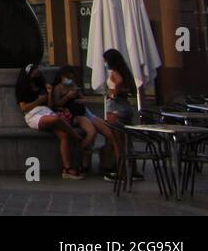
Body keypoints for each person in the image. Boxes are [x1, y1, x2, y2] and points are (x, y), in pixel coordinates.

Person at [15, 63, 83, 179]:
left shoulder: (40, 84)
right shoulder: (23, 88)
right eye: (35, 69)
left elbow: (51, 105)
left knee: (63, 135)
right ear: (29, 73)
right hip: (34, 115)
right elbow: (24, 108)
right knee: (56, 119)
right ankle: (77, 137)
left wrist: (50, 93)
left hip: (46, 111)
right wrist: (39, 100)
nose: (38, 71)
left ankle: (67, 169)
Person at [51, 65, 121, 178]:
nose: (70, 79)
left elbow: (84, 99)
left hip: (85, 112)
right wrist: (68, 97)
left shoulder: (73, 85)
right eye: (67, 76)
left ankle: (106, 160)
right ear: (61, 76)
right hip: (75, 114)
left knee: (110, 133)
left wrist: (79, 98)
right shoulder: (58, 88)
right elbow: (56, 104)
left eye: (71, 76)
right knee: (92, 132)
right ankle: (83, 152)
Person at [103, 48, 144, 182]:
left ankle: (122, 173)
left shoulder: (115, 73)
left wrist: (113, 92)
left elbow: (118, 83)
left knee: (118, 143)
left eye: (105, 60)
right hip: (126, 107)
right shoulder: (126, 72)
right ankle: (133, 170)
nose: (104, 62)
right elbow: (131, 89)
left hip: (115, 107)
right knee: (127, 142)